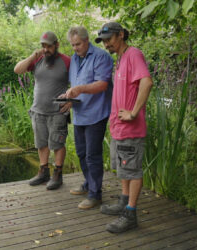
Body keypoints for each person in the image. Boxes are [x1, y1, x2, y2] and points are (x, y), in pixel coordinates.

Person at [95, 22, 153, 233]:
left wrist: (134, 112)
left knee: (133, 170)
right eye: (103, 41)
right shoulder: (120, 59)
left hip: (131, 128)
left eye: (109, 39)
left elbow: (146, 82)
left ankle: (130, 213)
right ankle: (123, 200)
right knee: (123, 169)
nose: (106, 44)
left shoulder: (133, 54)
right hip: (119, 128)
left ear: (121, 35)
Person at [60, 26, 113, 209]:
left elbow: (102, 85)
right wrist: (70, 100)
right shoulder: (74, 59)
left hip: (97, 113)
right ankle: (89, 183)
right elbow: (75, 86)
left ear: (87, 40)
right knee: (82, 153)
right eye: (72, 45)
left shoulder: (101, 56)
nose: (75, 48)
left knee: (93, 155)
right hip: (80, 113)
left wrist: (80, 89)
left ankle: (95, 194)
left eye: (78, 44)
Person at [14, 31, 71, 190]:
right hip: (38, 110)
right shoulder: (37, 60)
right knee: (41, 143)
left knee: (58, 143)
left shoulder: (66, 61)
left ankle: (58, 174)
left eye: (49, 46)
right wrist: (33, 56)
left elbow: (79, 81)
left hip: (57, 111)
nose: (46, 49)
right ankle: (43, 171)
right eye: (43, 46)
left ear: (57, 45)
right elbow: (17, 70)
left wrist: (71, 100)